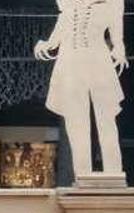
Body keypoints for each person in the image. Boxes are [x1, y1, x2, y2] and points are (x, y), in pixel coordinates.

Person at [34, 0, 127, 175]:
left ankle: (113, 172)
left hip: (97, 58)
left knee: (106, 118)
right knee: (76, 122)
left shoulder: (111, 2)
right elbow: (64, 24)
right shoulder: (68, 4)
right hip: (70, 61)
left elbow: (116, 26)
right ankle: (82, 173)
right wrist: (48, 43)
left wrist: (119, 47)